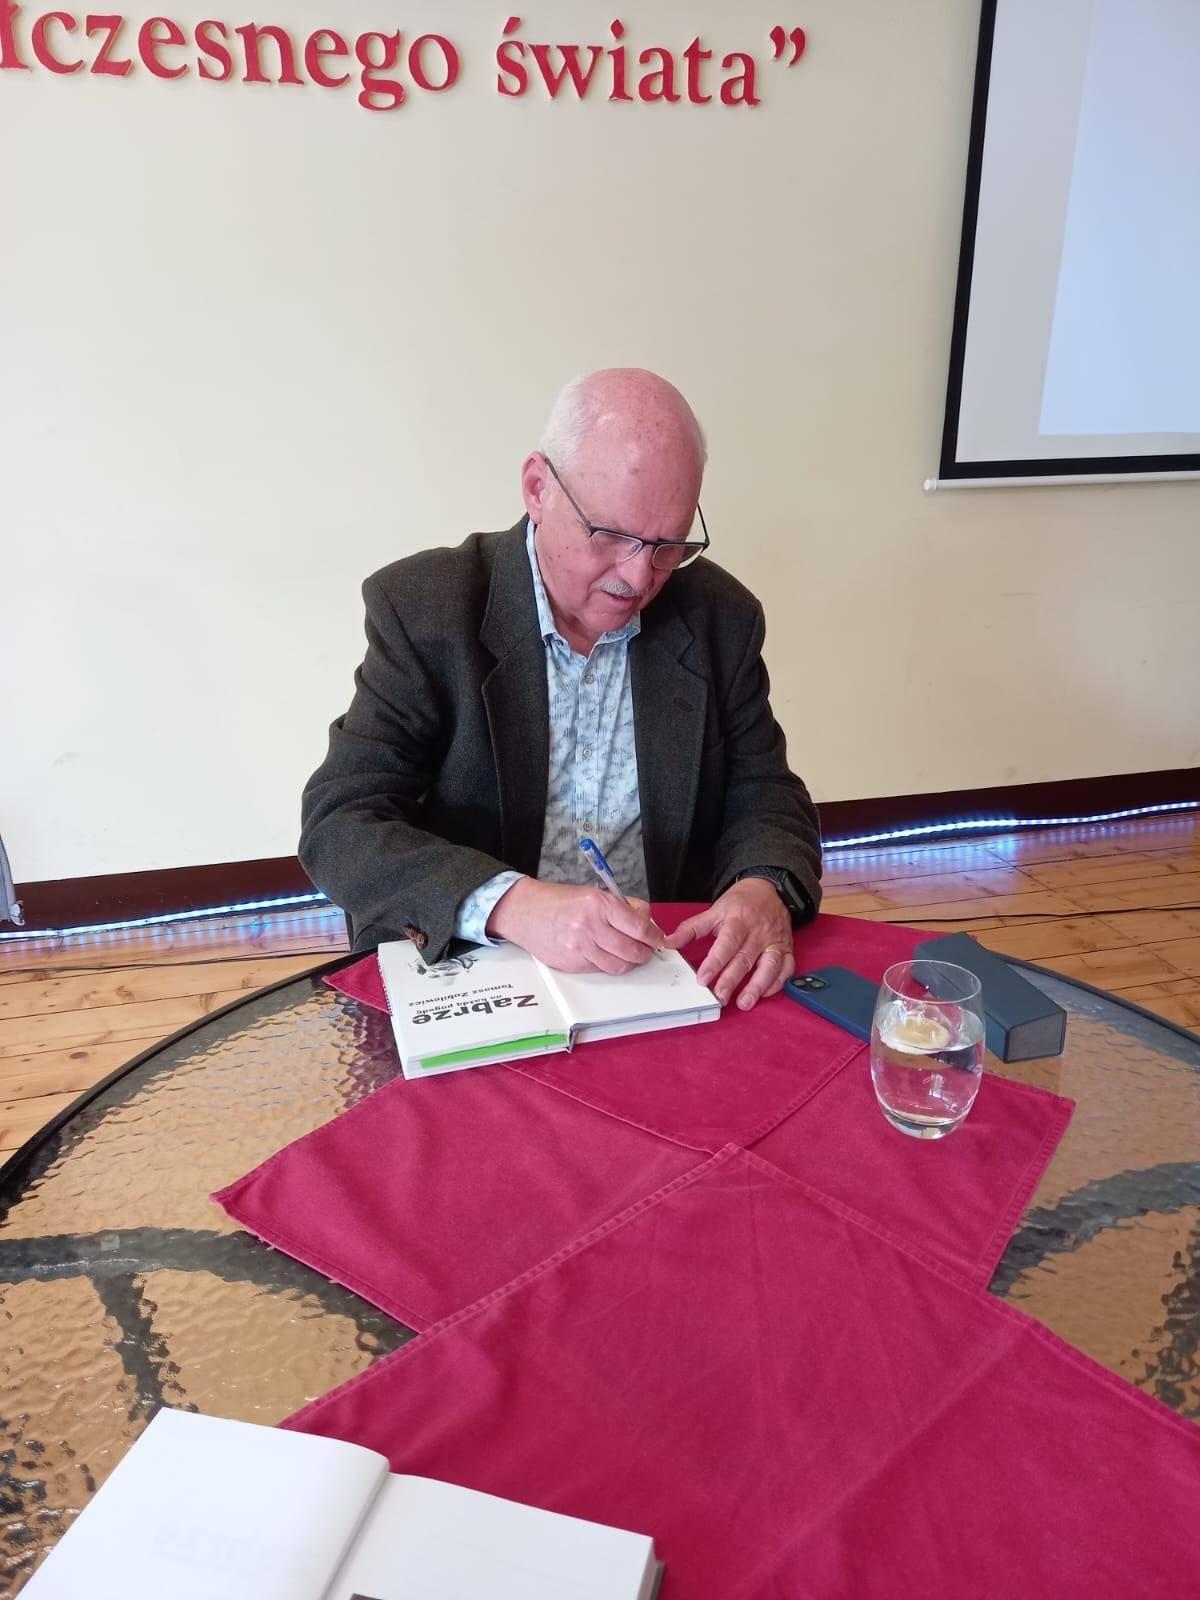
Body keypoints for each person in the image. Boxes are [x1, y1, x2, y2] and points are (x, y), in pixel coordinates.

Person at [300, 369, 821, 1011]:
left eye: (669, 546)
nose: (639, 577)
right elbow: (341, 820)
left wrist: (763, 885)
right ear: (538, 489)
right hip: (476, 967)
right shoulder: (426, 609)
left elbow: (765, 791)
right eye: (611, 535)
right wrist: (513, 904)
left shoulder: (720, 618)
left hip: (657, 976)